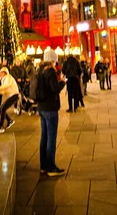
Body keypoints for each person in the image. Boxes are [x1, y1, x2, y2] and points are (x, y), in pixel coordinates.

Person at [37, 48, 66, 177]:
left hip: (41, 107)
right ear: (52, 60)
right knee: (51, 138)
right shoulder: (50, 72)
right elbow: (54, 89)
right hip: (50, 108)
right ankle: (51, 167)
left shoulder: (40, 71)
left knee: (44, 137)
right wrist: (62, 83)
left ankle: (43, 165)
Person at [0, 67, 19, 134]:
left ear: (5, 72)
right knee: (0, 109)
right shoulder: (3, 80)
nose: (0, 74)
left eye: (1, 73)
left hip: (15, 95)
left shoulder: (8, 77)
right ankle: (9, 120)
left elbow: (7, 85)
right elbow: (4, 91)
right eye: (0, 73)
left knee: (3, 109)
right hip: (11, 96)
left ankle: (1, 127)